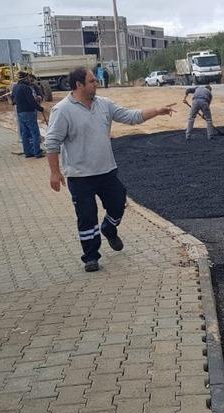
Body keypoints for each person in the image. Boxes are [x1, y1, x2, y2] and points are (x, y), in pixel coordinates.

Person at [45, 67, 175, 272]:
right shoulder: (62, 110)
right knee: (87, 217)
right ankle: (91, 257)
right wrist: (55, 172)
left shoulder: (104, 104)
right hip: (80, 177)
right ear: (79, 85)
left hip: (106, 171)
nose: (96, 84)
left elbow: (131, 116)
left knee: (118, 204)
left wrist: (157, 111)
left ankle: (109, 227)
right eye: (92, 81)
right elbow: (52, 142)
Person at [13, 71, 45, 158]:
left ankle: (27, 152)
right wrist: (40, 108)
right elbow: (31, 102)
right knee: (35, 133)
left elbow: (13, 101)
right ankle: (37, 152)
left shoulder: (15, 87)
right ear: (25, 78)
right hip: (28, 112)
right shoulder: (26, 88)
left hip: (20, 113)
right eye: (28, 78)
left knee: (25, 133)